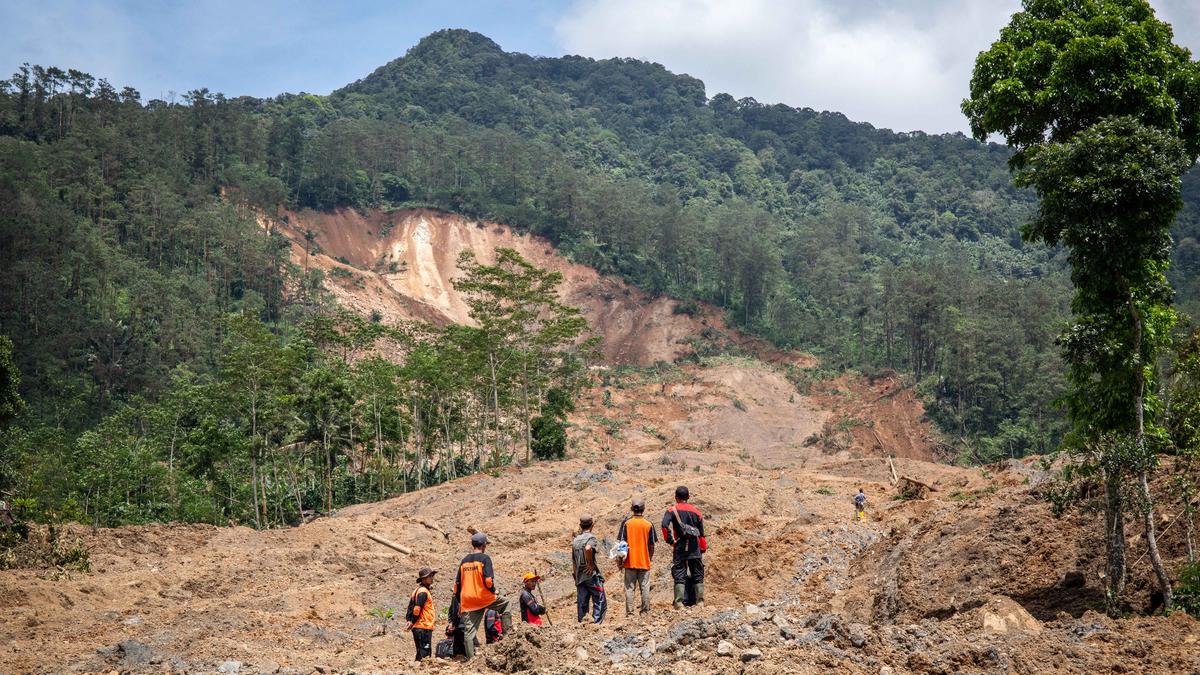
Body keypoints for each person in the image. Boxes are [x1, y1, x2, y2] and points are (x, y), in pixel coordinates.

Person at [450, 532, 513, 659]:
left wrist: (460, 603)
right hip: (482, 597)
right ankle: (507, 637)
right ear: (484, 545)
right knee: (506, 603)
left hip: (468, 600)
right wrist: (493, 591)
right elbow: (488, 581)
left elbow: (457, 585)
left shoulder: (464, 561)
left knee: (469, 632)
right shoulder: (485, 559)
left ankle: (471, 660)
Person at [662, 485, 706, 609]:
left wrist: (671, 541)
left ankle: (679, 603)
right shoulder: (696, 512)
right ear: (688, 497)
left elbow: (664, 526)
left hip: (680, 546)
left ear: (676, 498)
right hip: (695, 547)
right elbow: (702, 534)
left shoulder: (672, 510)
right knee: (697, 573)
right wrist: (702, 548)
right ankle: (700, 602)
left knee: (679, 573)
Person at [617, 499, 656, 616]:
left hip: (630, 562)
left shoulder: (627, 524)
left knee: (629, 588)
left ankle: (630, 613)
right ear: (643, 509)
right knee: (644, 587)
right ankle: (645, 611)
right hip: (644, 561)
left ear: (631, 508)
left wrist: (620, 561)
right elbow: (652, 545)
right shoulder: (648, 524)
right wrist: (649, 558)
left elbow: (622, 544)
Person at [571, 515, 607, 624]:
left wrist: (575, 577)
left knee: (582, 603)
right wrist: (591, 564)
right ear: (592, 525)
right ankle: (596, 624)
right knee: (600, 600)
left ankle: (582, 625)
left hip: (580, 576)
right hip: (591, 575)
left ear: (580, 526)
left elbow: (573, 561)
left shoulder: (576, 540)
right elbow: (588, 548)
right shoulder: (591, 538)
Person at [406, 567, 437, 661]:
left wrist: (409, 620)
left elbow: (409, 608)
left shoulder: (417, 590)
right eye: (429, 576)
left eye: (432, 575)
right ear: (423, 579)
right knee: (425, 655)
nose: (432, 578)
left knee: (421, 653)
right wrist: (412, 621)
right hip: (423, 626)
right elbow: (416, 609)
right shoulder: (423, 592)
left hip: (420, 626)